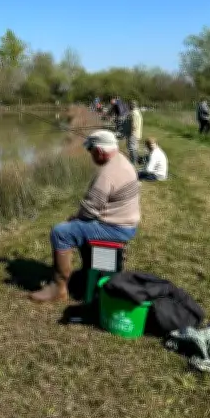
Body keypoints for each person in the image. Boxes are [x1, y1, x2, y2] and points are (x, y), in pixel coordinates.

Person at [30, 130, 140, 303]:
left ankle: (58, 288)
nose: (90, 155)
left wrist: (74, 218)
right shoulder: (122, 161)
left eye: (91, 151)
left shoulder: (107, 173)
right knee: (79, 227)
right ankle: (87, 270)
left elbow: (89, 210)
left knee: (61, 232)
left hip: (115, 228)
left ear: (100, 151)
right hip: (126, 224)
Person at [125, 100, 143, 166]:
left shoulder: (134, 113)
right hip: (136, 133)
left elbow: (134, 125)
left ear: (131, 105)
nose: (128, 106)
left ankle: (133, 162)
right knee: (134, 148)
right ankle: (135, 161)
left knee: (132, 148)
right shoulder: (137, 112)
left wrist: (130, 133)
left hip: (133, 134)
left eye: (129, 105)